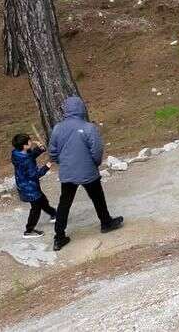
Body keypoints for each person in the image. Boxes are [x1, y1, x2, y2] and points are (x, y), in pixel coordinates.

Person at [48, 96, 124, 251]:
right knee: (97, 197)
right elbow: (96, 150)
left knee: (64, 203)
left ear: (66, 110)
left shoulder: (57, 128)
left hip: (67, 172)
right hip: (87, 170)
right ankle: (106, 222)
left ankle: (59, 237)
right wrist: (95, 164)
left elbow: (53, 152)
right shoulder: (88, 127)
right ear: (81, 108)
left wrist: (62, 162)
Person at [11, 133, 56, 238]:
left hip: (25, 184)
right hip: (29, 187)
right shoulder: (26, 160)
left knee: (42, 200)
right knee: (36, 208)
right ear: (25, 145)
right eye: (29, 141)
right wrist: (47, 166)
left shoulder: (16, 153)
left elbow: (30, 156)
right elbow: (35, 174)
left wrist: (40, 149)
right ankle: (29, 230)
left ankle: (53, 213)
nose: (31, 141)